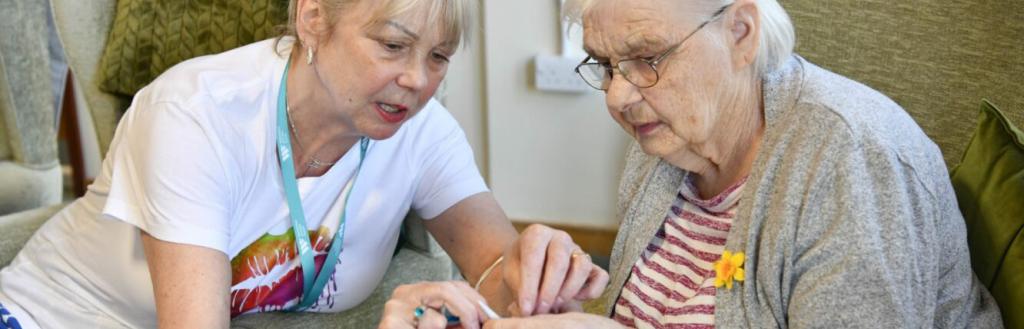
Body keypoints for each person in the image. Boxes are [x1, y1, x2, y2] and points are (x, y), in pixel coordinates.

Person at [0, 0, 607, 328]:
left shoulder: (421, 130)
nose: (418, 81)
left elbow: (497, 273)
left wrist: (537, 274)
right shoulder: (196, 115)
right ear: (313, 17)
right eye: (393, 46)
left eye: (440, 56)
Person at [478, 0, 1005, 328]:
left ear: (741, 34)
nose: (617, 96)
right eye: (606, 63)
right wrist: (553, 297)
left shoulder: (851, 161)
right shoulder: (667, 144)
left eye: (648, 58)